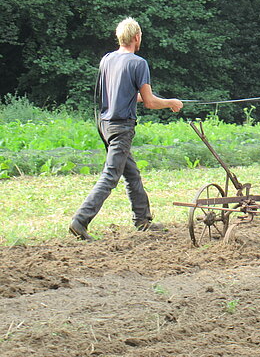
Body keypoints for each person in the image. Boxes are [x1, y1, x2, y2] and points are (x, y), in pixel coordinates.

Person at [69, 17, 183, 241]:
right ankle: (80, 221)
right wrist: (171, 102)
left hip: (105, 124)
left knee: (131, 172)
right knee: (111, 176)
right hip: (121, 126)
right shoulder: (138, 63)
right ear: (137, 37)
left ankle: (142, 220)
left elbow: (129, 95)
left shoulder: (107, 59)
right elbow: (149, 101)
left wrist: (162, 100)